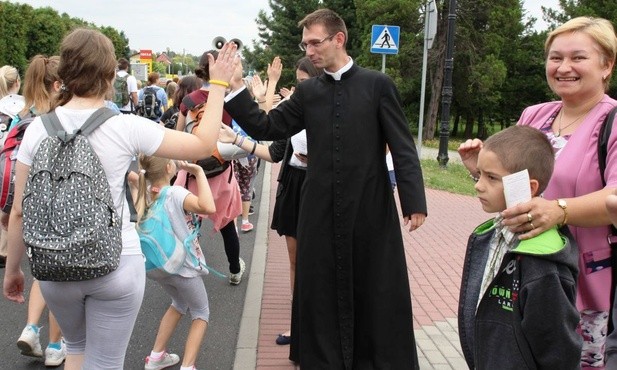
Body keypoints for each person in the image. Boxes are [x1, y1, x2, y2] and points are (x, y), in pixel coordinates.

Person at [2, 28, 238, 370]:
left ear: (64, 72)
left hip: (53, 268)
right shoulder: (126, 127)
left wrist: (13, 270)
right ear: (112, 74)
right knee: (106, 360)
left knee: (77, 349)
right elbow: (203, 145)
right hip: (114, 262)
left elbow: (20, 210)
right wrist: (216, 86)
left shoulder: (37, 129)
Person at [224, 8, 427, 368]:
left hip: (370, 208)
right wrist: (234, 87)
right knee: (318, 289)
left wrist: (414, 200)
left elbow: (402, 145)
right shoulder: (308, 92)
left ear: (339, 39)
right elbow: (266, 126)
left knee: (376, 287)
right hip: (317, 210)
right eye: (305, 43)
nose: (309, 50)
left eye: (315, 42)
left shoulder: (377, 86)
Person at [458, 17, 617, 369]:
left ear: (607, 65)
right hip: (525, 272)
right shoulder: (535, 115)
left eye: (578, 57)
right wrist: (485, 174)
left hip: (585, 279)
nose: (563, 67)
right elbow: (520, 189)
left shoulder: (613, 120)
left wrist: (559, 210)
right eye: (555, 57)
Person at [458, 125, 581, 369]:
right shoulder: (490, 235)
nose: (478, 186)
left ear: (528, 187)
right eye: (478, 175)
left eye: (491, 177)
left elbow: (558, 348)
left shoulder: (543, 262)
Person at [7, 55, 66, 367]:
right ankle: (56, 345)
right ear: (59, 84)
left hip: (33, 217)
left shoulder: (22, 118)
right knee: (61, 283)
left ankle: (31, 328)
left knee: (43, 276)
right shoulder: (61, 120)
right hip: (63, 216)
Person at [135, 155, 215, 370]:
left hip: (159, 265)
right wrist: (198, 173)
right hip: (183, 266)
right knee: (201, 313)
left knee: (178, 304)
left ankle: (156, 357)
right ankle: (188, 366)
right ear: (170, 167)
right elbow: (208, 206)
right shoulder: (175, 193)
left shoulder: (146, 192)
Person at [174, 50, 246, 285]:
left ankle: (187, 272)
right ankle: (235, 270)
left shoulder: (189, 100)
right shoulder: (230, 100)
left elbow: (177, 135)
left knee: (187, 225)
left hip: (192, 174)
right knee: (227, 226)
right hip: (221, 173)